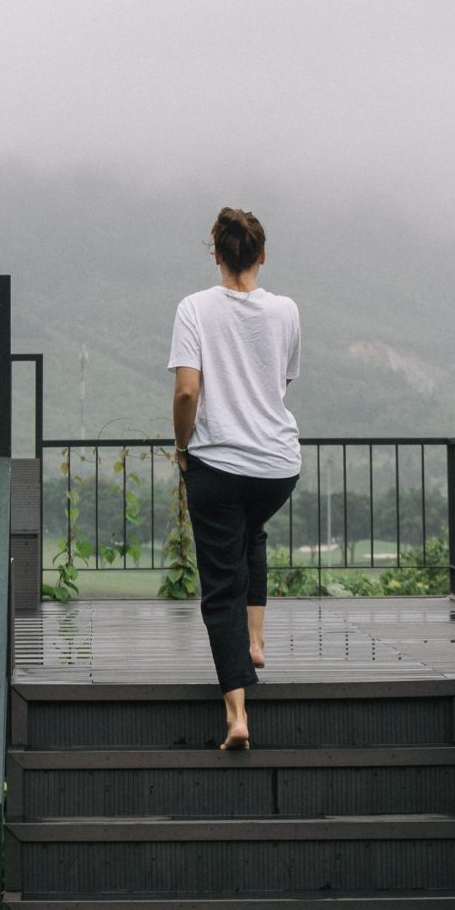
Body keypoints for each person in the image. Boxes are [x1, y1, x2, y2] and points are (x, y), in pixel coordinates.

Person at [168, 206, 301, 750]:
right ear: (261, 255)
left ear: (217, 254)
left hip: (217, 464)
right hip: (277, 467)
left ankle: (237, 717)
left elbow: (186, 393)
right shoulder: (288, 311)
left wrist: (182, 448)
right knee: (251, 532)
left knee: (220, 583)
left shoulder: (194, 309)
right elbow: (281, 381)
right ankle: (257, 642)